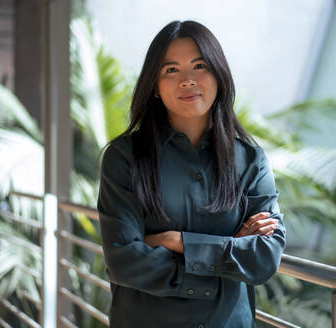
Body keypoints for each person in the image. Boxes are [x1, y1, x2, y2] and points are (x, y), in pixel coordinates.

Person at [97, 20, 286, 328]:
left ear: (218, 75)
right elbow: (124, 261)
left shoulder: (251, 160)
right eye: (171, 70)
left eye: (199, 65)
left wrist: (179, 242)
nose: (187, 80)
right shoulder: (124, 158)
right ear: (154, 85)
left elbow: (265, 257)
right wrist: (227, 255)